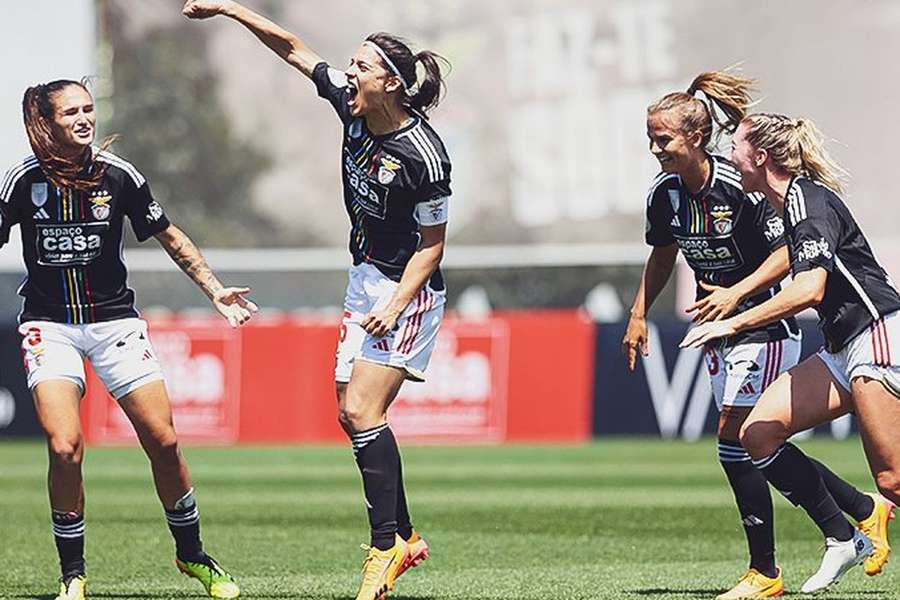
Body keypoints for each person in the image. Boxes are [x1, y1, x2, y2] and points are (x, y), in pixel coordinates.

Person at [182, 2, 451, 599]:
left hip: (407, 290)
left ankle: (385, 548)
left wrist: (395, 303)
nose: (348, 74)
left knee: (362, 412)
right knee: (347, 412)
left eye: (361, 67)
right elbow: (292, 47)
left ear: (391, 84)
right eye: (350, 65)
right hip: (364, 281)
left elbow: (431, 248)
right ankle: (405, 535)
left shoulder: (424, 156)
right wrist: (228, 8)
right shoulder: (351, 110)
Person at [625, 73, 891, 599]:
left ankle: (768, 569)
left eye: (664, 139)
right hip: (761, 333)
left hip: (795, 326)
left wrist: (734, 302)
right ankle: (858, 517)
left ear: (697, 139)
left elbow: (799, 268)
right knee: (755, 438)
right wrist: (639, 313)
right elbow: (662, 253)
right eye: (651, 138)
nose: (655, 149)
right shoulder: (666, 194)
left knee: (738, 438)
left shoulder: (775, 195)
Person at [0, 79, 257, 600]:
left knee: (163, 440)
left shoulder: (119, 176)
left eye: (89, 109)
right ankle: (73, 575)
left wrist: (215, 290)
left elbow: (170, 237)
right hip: (49, 325)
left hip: (115, 322)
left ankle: (193, 555)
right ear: (47, 122)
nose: (84, 118)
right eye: (71, 111)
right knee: (65, 446)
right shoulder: (22, 182)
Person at [682, 112, 900, 593]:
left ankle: (866, 515)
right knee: (757, 434)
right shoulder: (784, 202)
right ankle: (844, 538)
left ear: (759, 157)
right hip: (843, 346)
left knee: (892, 481)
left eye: (735, 145)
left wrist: (733, 316)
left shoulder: (805, 198)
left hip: (879, 334)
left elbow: (809, 289)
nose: (729, 153)